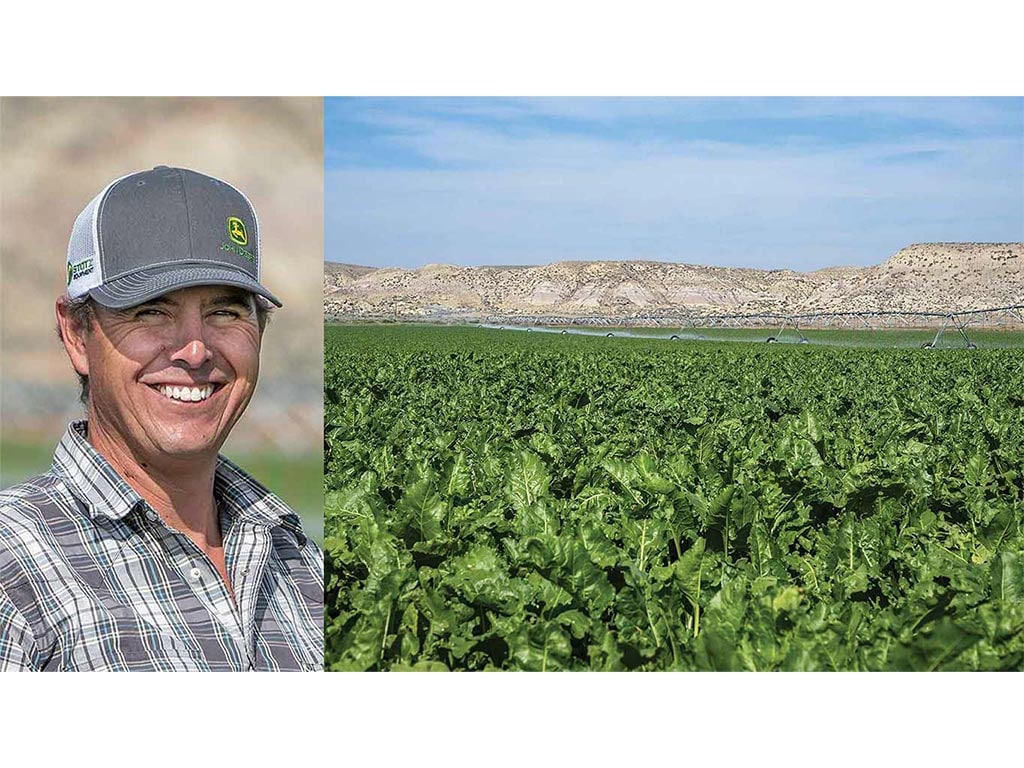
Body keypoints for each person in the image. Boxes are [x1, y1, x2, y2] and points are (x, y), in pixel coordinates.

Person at [0, 166, 323, 671]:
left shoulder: (301, 560)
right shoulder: (13, 570)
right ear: (76, 334)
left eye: (225, 312)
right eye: (151, 310)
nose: (195, 351)